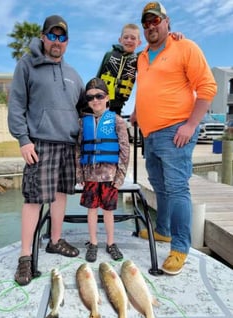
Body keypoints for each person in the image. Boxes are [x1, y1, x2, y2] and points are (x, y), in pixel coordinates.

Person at [130, 2, 217, 275]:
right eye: (146, 23)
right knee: (158, 185)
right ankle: (163, 231)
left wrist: (191, 125)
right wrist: (136, 111)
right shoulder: (143, 57)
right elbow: (147, 88)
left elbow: (207, 87)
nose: (150, 27)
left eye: (155, 21)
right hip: (150, 134)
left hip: (175, 130)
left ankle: (179, 248)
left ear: (167, 22)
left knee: (177, 188)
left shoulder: (185, 47)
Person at [8, 15, 85, 286]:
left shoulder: (75, 75)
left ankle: (55, 240)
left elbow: (84, 109)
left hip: (67, 144)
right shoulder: (26, 65)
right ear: (43, 37)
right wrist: (23, 140)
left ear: (67, 42)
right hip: (39, 143)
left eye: (62, 37)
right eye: (52, 36)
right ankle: (25, 257)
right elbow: (16, 104)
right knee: (33, 199)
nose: (56, 41)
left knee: (61, 195)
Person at [76, 77, 130, 262]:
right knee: (91, 210)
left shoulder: (117, 121)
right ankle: (92, 243)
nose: (95, 100)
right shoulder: (83, 122)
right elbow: (78, 148)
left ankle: (110, 243)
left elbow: (124, 149)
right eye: (90, 98)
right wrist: (79, 172)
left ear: (107, 98)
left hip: (109, 175)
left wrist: (120, 175)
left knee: (108, 211)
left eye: (99, 96)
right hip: (90, 175)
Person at [97, 23, 184, 116]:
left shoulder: (140, 57)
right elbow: (97, 77)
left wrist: (170, 37)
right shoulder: (109, 55)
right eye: (126, 37)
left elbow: (158, 48)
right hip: (98, 103)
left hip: (117, 108)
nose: (129, 40)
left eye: (133, 38)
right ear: (120, 40)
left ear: (139, 43)